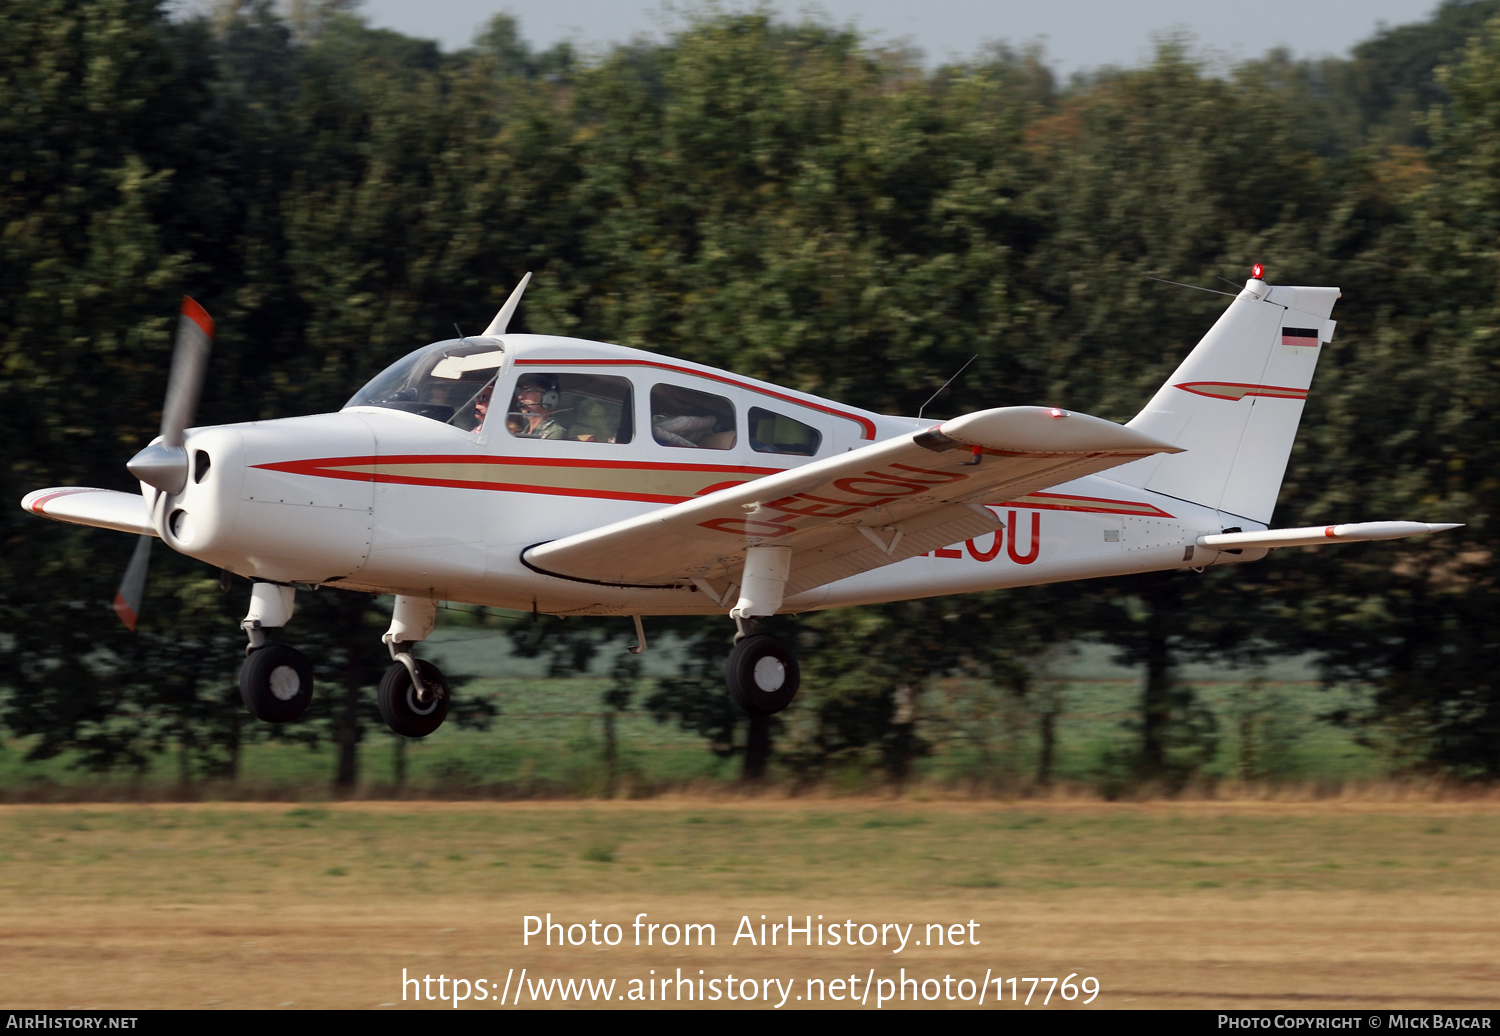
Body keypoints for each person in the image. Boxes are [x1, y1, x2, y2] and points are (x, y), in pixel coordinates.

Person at [509, 373, 568, 439]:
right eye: (522, 390)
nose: (520, 396)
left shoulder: (555, 432)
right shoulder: (523, 432)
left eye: (528, 390)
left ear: (549, 398)